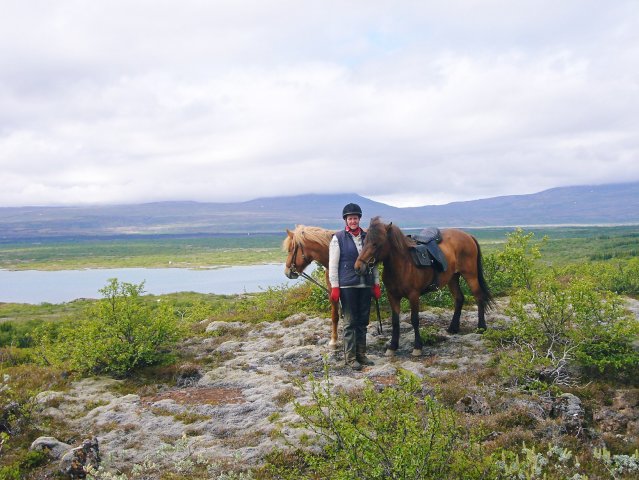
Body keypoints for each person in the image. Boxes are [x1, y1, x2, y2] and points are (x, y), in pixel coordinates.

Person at [328, 203, 381, 370]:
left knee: (363, 321)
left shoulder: (367, 237)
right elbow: (332, 264)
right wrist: (335, 286)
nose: (353, 221)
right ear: (346, 220)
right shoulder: (338, 238)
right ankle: (350, 358)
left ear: (359, 219)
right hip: (347, 286)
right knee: (350, 322)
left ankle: (361, 354)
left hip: (365, 285)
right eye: (350, 218)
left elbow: (373, 263)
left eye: (355, 218)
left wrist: (376, 283)